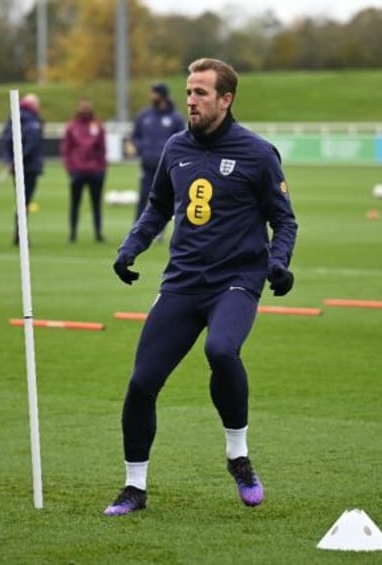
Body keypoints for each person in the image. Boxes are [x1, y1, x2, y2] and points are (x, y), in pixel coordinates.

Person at [104, 58, 298, 516]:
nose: (190, 100)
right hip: (183, 282)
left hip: (236, 280)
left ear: (226, 99)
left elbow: (283, 219)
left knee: (221, 351)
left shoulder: (258, 152)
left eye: (201, 93)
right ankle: (135, 488)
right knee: (141, 383)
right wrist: (130, 247)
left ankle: (238, 456)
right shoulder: (175, 148)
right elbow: (157, 207)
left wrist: (279, 263)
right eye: (189, 91)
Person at [130, 83, 185, 221]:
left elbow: (182, 141)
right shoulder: (144, 116)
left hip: (166, 168)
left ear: (162, 95)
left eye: (154, 93)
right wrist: (140, 148)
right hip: (147, 166)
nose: (151, 96)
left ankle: (159, 230)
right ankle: (136, 228)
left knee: (165, 200)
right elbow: (135, 136)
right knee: (143, 197)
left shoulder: (175, 118)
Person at [61, 98, 107, 243]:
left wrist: (101, 167)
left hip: (95, 171)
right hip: (77, 171)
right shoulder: (72, 127)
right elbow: (66, 149)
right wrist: (70, 168)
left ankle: (98, 234)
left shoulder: (97, 126)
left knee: (96, 204)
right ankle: (72, 234)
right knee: (75, 203)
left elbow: (102, 148)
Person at [0, 93, 44, 246]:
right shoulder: (31, 121)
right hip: (28, 167)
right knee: (23, 201)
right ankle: (20, 235)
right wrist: (17, 161)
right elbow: (31, 144)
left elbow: (5, 140)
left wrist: (9, 161)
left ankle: (20, 234)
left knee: (22, 201)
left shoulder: (14, 118)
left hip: (21, 166)